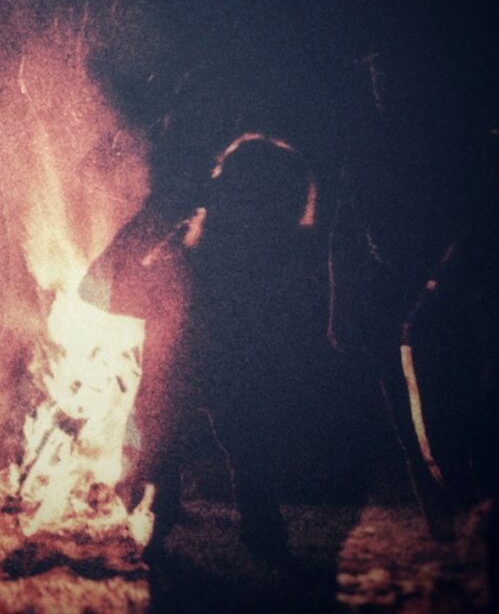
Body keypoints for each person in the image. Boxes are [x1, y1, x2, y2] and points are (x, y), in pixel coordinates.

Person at [82, 134, 321, 564]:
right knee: (235, 443)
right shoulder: (267, 261)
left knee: (180, 431)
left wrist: (163, 209)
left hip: (198, 370)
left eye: (223, 178)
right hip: (221, 373)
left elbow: (97, 288)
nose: (214, 184)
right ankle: (245, 531)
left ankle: (165, 519)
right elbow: (97, 289)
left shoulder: (194, 266)